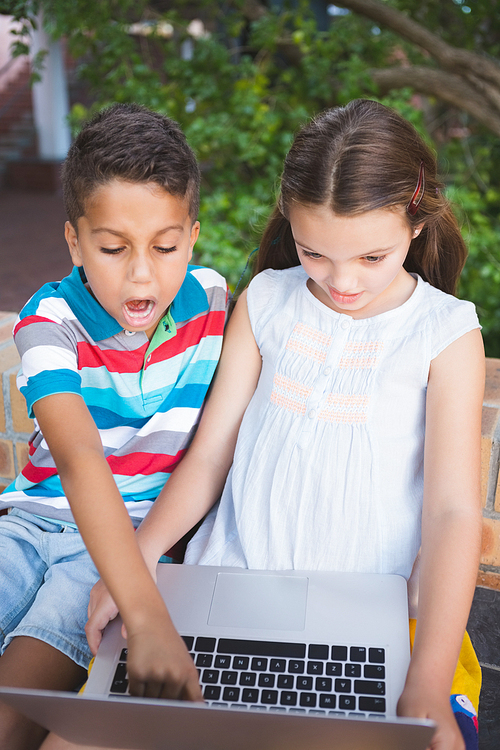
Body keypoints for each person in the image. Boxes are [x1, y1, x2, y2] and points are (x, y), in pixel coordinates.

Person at [62, 98, 484, 750]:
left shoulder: (446, 333)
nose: (342, 282)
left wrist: (427, 676)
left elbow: (455, 512)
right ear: (290, 217)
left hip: (364, 615)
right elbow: (208, 460)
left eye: (372, 258)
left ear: (416, 219)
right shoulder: (267, 300)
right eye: (315, 252)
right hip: (221, 588)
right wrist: (136, 565)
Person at [0, 102, 228, 749]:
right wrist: (148, 619)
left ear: (192, 235)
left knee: (11, 718)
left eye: (164, 246)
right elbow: (79, 462)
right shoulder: (48, 322)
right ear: (75, 241)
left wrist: (135, 595)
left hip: (112, 549)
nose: (141, 274)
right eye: (111, 247)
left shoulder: (214, 304)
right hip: (28, 524)